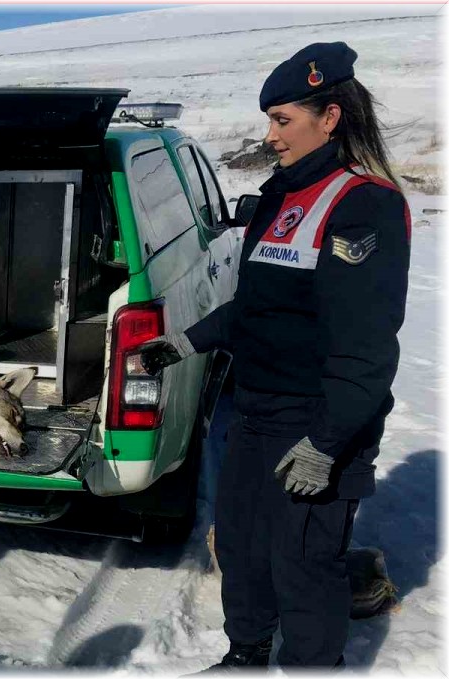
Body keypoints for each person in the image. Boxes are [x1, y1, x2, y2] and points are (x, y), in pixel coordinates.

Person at [137, 42, 410, 670]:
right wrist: (182, 344)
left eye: (282, 120)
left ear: (330, 116)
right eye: (270, 121)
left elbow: (365, 345)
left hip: (317, 417)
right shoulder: (282, 199)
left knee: (305, 564)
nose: (270, 136)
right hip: (257, 413)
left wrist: (328, 441)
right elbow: (257, 308)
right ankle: (248, 654)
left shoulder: (360, 204)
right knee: (242, 546)